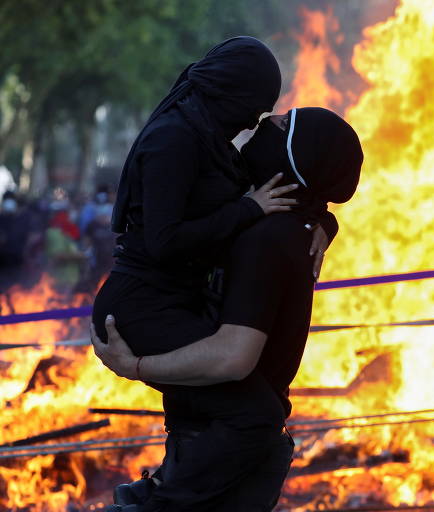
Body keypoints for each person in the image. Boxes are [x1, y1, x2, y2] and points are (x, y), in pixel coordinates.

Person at [91, 37, 337, 508]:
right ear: (230, 93)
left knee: (245, 416)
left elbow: (284, 181)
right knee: (256, 416)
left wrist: (324, 222)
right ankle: (149, 503)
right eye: (254, 109)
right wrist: (247, 210)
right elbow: (164, 242)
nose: (253, 123)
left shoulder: (210, 138)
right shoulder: (173, 140)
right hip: (140, 306)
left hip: (176, 303)